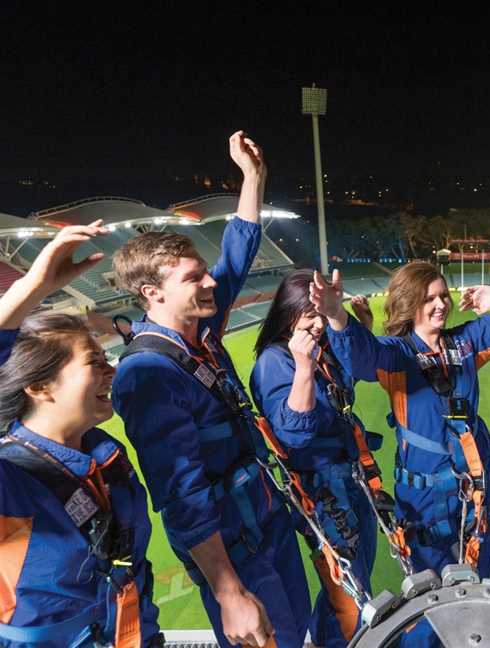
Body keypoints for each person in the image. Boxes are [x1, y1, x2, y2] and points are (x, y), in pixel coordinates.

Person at [111, 132, 310, 648]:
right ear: (152, 293)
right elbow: (180, 495)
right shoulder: (149, 373)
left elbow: (238, 254)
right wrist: (228, 591)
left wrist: (252, 179)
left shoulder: (200, 330)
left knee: (297, 629)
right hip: (232, 545)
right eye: (194, 277)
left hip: (264, 516)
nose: (211, 284)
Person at [310, 261, 490, 646]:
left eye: (443, 295)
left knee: (474, 589)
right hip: (427, 500)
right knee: (430, 598)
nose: (441, 304)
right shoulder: (397, 353)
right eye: (429, 298)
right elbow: (362, 357)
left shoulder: (464, 341)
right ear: (409, 303)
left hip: (475, 492)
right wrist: (336, 316)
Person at [0, 223, 164, 647]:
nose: (111, 370)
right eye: (94, 361)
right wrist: (28, 292)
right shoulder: (10, 483)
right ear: (39, 387)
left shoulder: (105, 459)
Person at [250, 270, 381, 648]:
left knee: (353, 580)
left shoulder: (321, 350)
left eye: (321, 314)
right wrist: (304, 368)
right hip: (321, 490)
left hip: (350, 478)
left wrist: (358, 324)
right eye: (311, 315)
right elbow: (294, 433)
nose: (318, 325)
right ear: (289, 314)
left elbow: (353, 378)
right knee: (351, 592)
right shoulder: (276, 362)